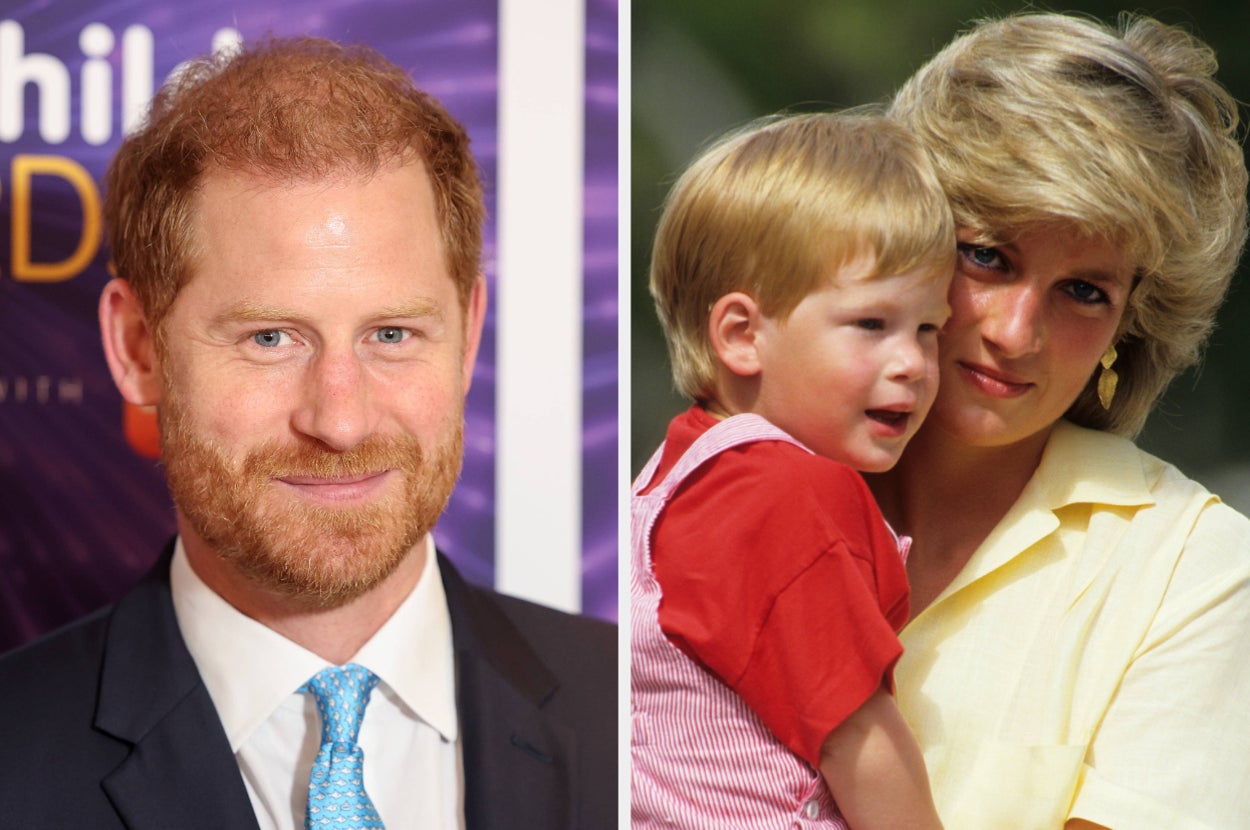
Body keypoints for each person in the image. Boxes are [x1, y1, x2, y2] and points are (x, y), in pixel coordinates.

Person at [0, 36, 615, 829]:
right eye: (269, 339)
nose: (340, 419)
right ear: (137, 349)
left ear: (468, 334)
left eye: (391, 335)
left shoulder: (626, 715)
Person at [864, 12, 1250, 829]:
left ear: (1130, 327)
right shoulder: (741, 469)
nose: (1014, 332)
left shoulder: (1196, 570)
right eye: (987, 255)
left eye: (1084, 291)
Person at [632, 111, 952, 829]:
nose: (914, 363)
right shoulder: (786, 494)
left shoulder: (677, 473)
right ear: (743, 336)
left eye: (929, 329)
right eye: (872, 325)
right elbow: (858, 739)